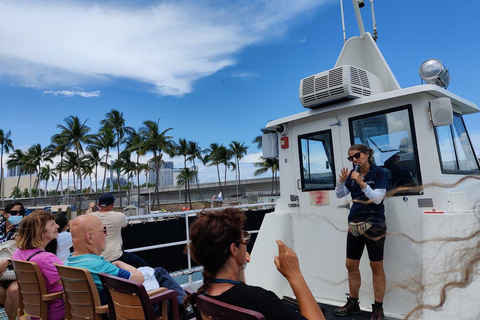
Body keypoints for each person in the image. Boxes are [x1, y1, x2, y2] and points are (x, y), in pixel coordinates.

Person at [186, 208, 325, 320]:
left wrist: (237, 266)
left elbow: (238, 293)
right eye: (244, 239)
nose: (246, 244)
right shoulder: (260, 299)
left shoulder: (204, 295)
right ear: (234, 249)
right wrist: (295, 275)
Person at [66, 214, 191, 318]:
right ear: (90, 237)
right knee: (170, 298)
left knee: (158, 272)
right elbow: (139, 278)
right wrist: (120, 263)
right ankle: (188, 307)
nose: (107, 234)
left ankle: (187, 305)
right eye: (103, 230)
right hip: (124, 312)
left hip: (96, 312)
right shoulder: (100, 267)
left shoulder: (68, 263)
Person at [335, 144, 388, 320]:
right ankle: (353, 303)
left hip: (374, 224)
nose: (354, 160)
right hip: (355, 224)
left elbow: (378, 199)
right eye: (351, 158)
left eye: (357, 156)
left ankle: (378, 308)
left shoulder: (378, 173)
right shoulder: (352, 175)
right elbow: (340, 194)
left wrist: (361, 182)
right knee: (350, 265)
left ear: (367, 154)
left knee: (376, 266)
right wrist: (341, 182)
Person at [11, 211, 65, 320]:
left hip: (32, 313)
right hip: (55, 312)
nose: (57, 226)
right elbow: (73, 285)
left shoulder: (18, 253)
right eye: (52, 224)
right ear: (40, 231)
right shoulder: (47, 259)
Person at [87, 192, 148, 268]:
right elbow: (125, 224)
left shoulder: (91, 217)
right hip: (114, 257)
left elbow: (86, 214)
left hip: (96, 258)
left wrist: (91, 207)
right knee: (143, 265)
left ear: (98, 204)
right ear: (112, 205)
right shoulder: (119, 216)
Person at [0, 202, 24, 320]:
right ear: (5, 214)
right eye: (14, 213)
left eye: (21, 213)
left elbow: (28, 251)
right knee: (7, 296)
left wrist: (8, 261)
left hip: (14, 272)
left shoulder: (25, 231)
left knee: (14, 291)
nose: (18, 215)